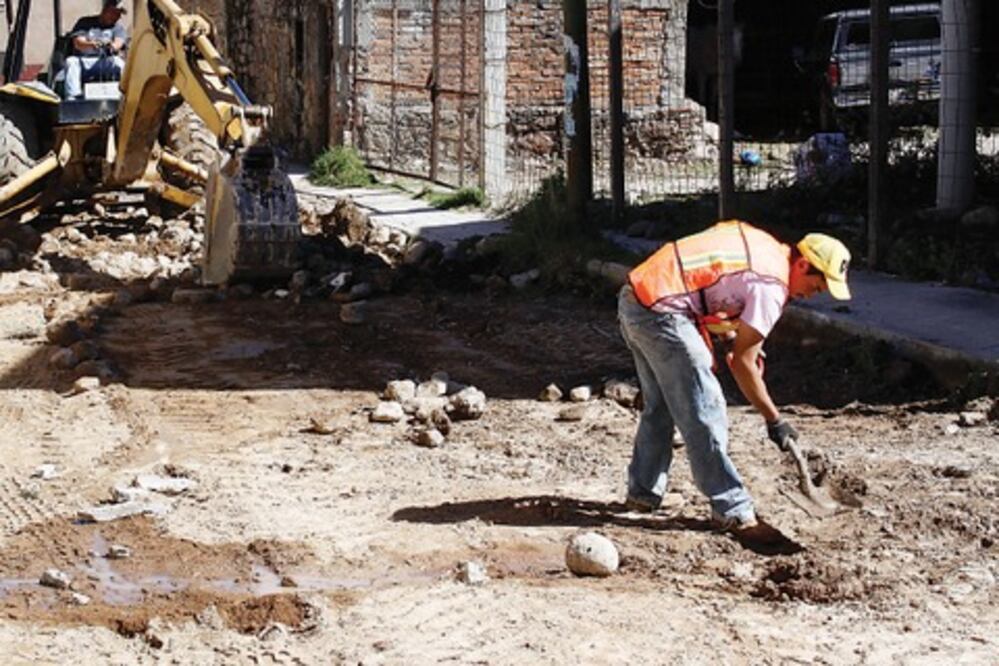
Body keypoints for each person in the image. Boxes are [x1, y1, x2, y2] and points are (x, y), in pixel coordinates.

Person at [617, 219, 851, 535]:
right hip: (662, 313)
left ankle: (642, 494)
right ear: (803, 263)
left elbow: (713, 281)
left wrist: (730, 337)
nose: (813, 294)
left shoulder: (764, 245)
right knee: (706, 406)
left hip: (637, 298)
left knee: (661, 404)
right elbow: (743, 364)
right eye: (817, 285)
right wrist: (774, 420)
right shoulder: (772, 284)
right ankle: (731, 507)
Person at [63, 0, 128, 100]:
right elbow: (78, 43)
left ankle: (125, 95)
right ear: (105, 11)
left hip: (105, 61)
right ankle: (73, 97)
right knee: (71, 62)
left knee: (120, 63)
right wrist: (92, 44)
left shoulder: (118, 28)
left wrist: (111, 46)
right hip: (84, 62)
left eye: (119, 14)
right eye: (115, 13)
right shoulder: (85, 23)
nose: (117, 17)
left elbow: (118, 43)